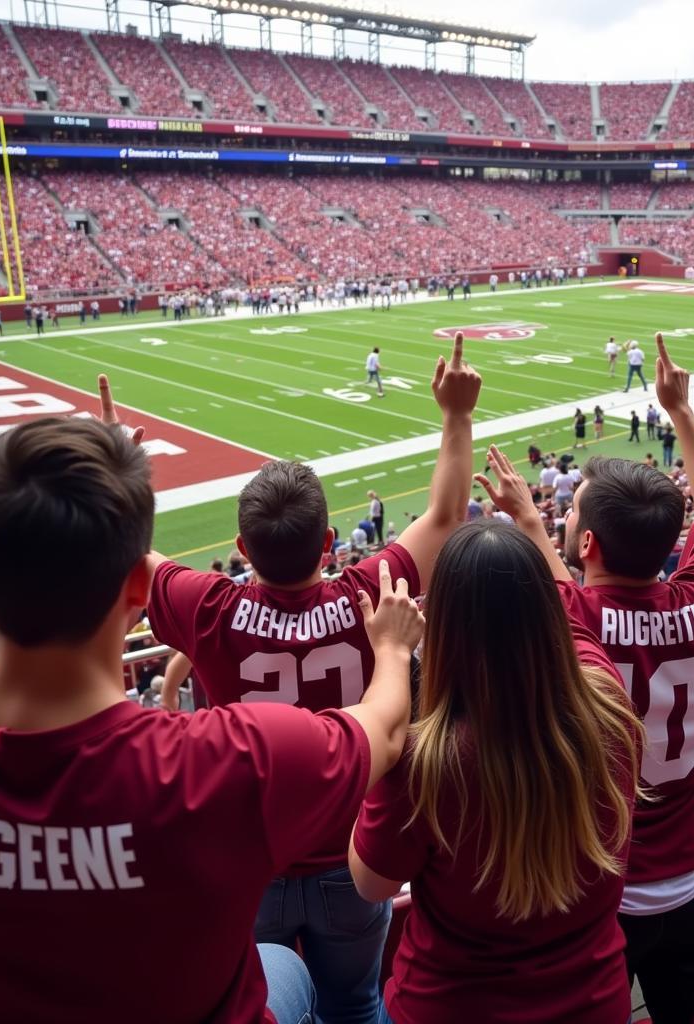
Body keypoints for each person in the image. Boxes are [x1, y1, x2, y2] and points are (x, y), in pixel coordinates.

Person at [0, 399, 424, 1024]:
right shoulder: (223, 760)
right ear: (137, 592)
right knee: (285, 968)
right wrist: (389, 649)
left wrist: (19, 537)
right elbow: (384, 729)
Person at [145, 337, 481, 1023]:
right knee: (355, 1001)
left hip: (252, 859)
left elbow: (125, 554)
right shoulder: (368, 592)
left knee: (262, 1001)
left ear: (241, 549)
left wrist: (111, 473)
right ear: (330, 541)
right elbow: (446, 517)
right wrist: (454, 417)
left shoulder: (211, 607)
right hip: (353, 851)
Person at [497, 333, 694, 1024]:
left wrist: (525, 518)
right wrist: (682, 412)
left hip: (610, 885)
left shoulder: (572, 616)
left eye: (571, 515)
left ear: (587, 544)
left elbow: (556, 584)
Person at [348, 517, 643, 1024]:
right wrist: (529, 523)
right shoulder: (610, 703)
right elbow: (572, 615)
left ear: (443, 627)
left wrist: (393, 657)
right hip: (594, 1003)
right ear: (548, 615)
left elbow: (370, 884)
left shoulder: (425, 762)